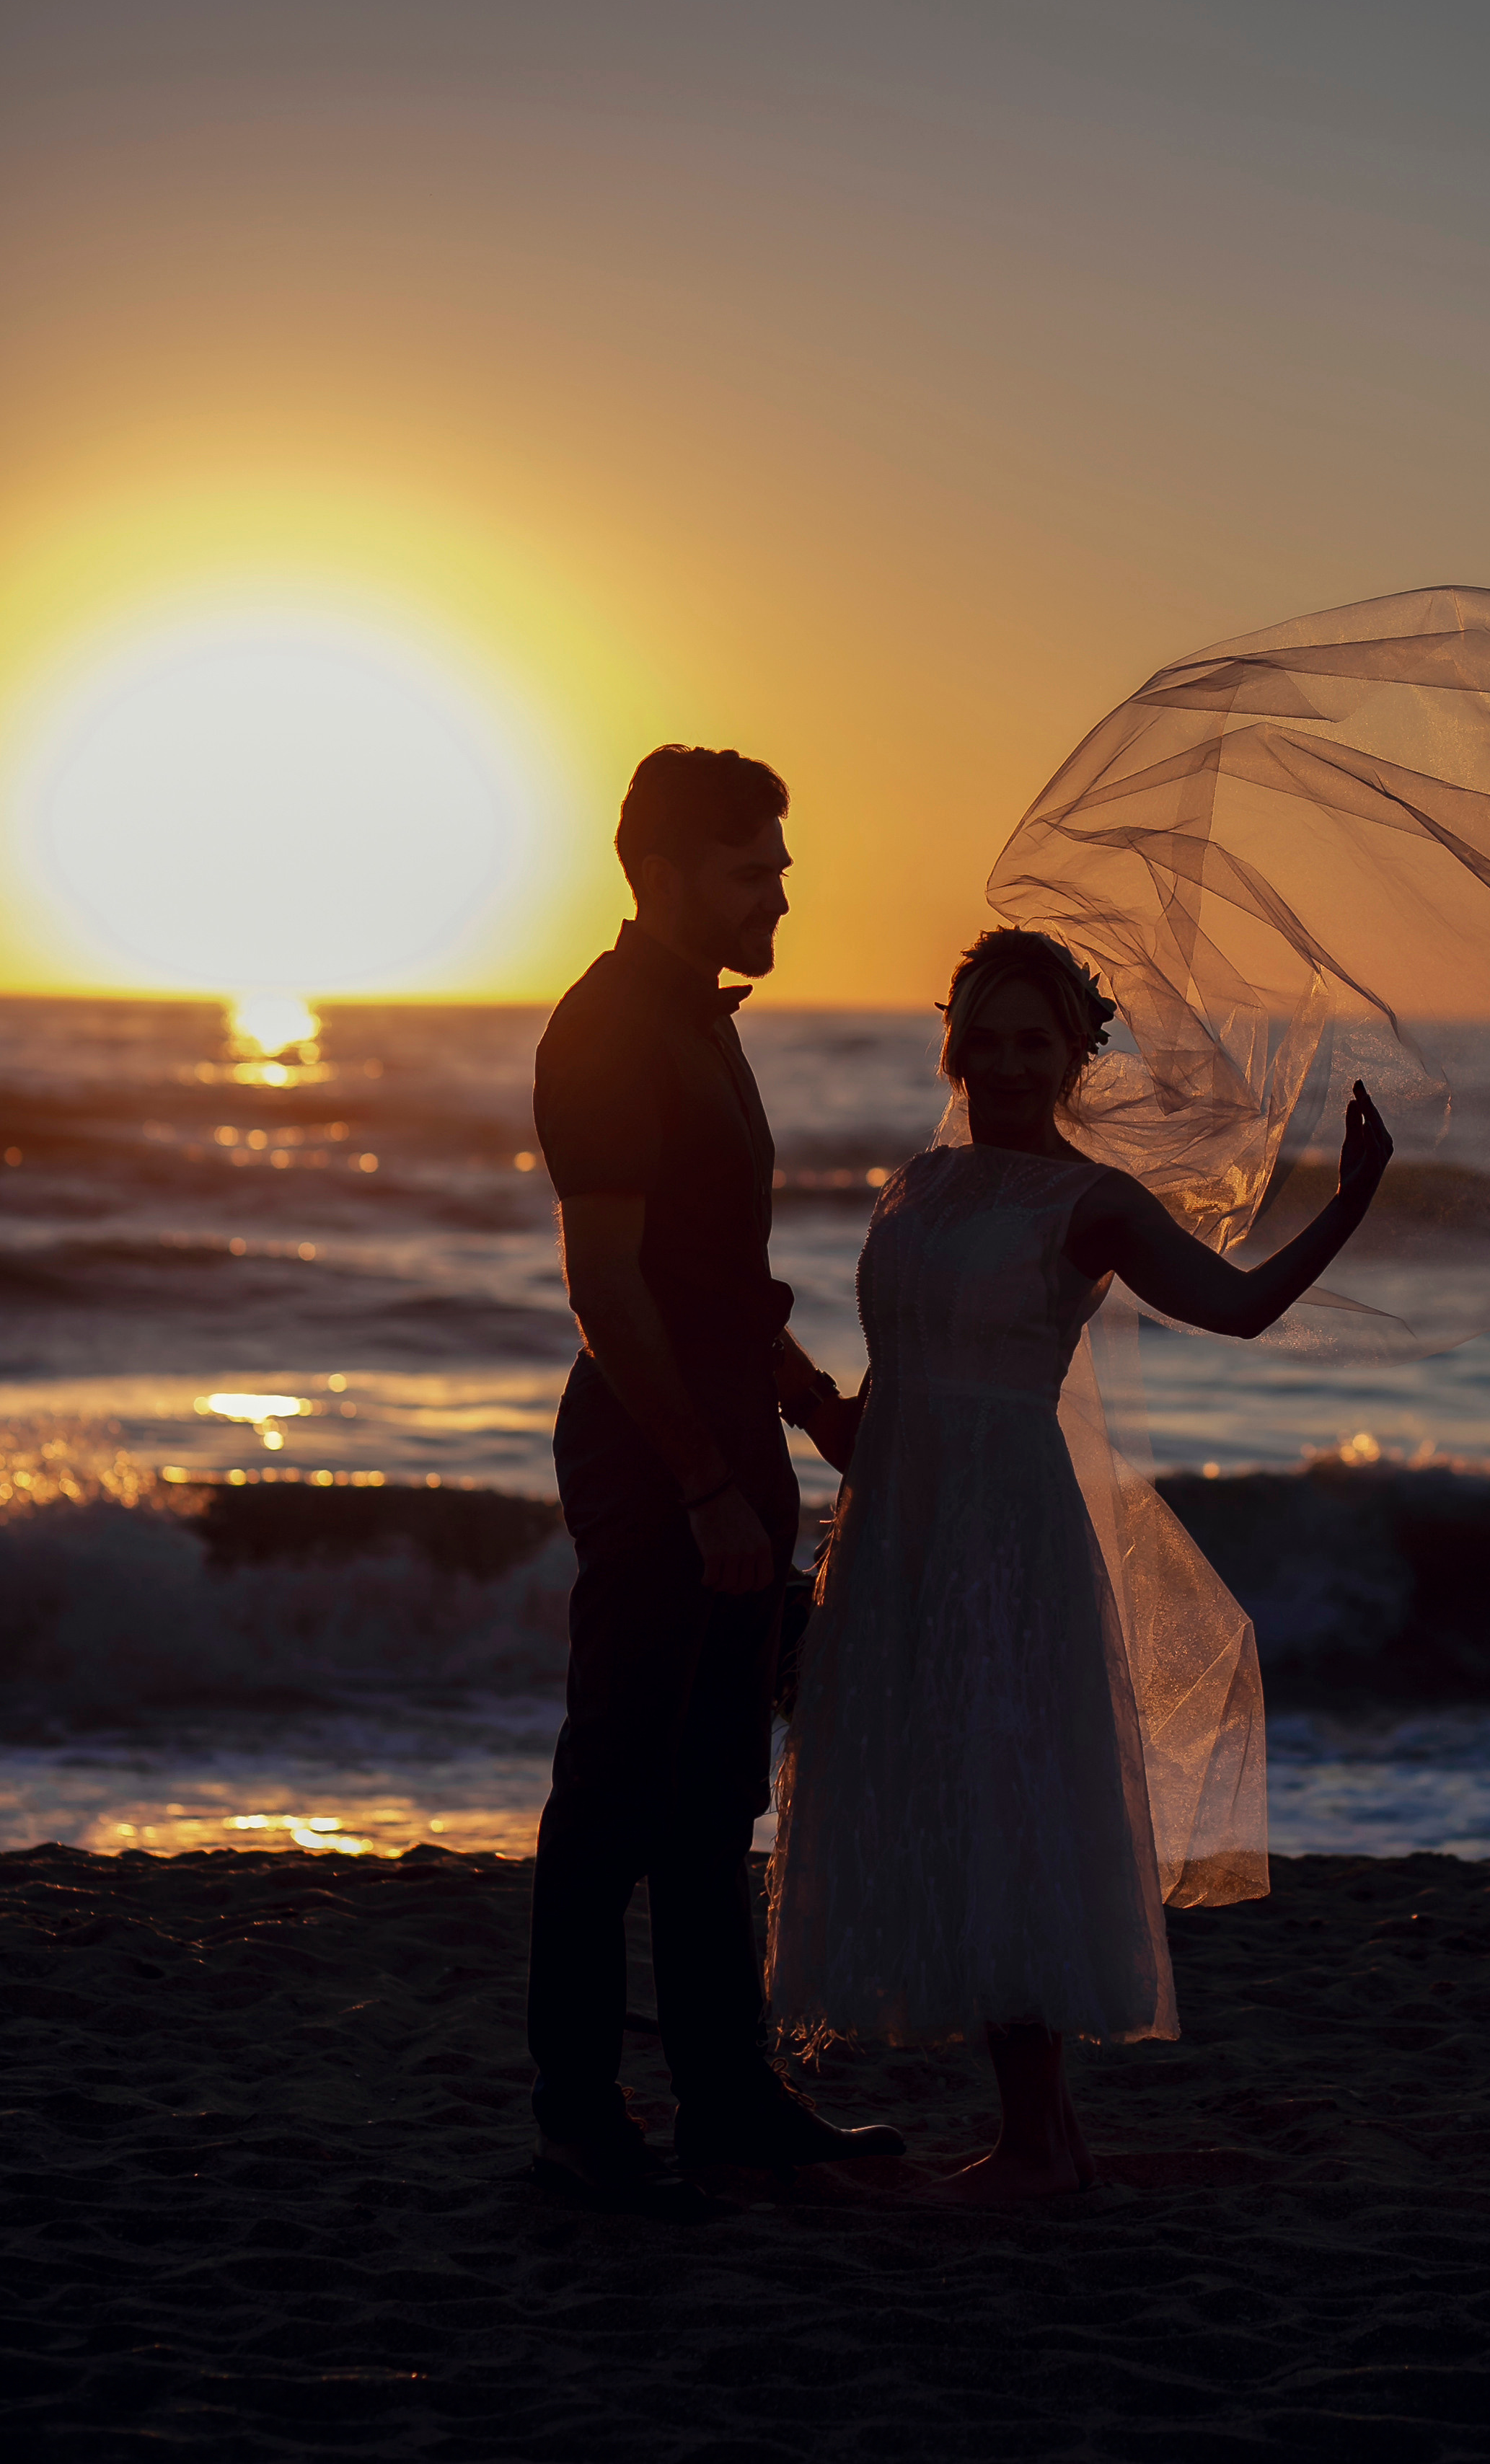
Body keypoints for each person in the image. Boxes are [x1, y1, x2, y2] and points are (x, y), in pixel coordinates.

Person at [765, 927, 1393, 2206]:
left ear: (1074, 1056)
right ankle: (1037, 2135)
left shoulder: (1091, 1201)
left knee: (1009, 1789)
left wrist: (1347, 1203)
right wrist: (827, 1428)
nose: (1002, 1062)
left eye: (1031, 1042)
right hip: (898, 1517)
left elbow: (1236, 1308)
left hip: (1003, 1523)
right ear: (951, 1040)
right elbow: (899, 1361)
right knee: (937, 1778)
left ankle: (1042, 2142)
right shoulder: (919, 1181)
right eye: (982, 1037)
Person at [526, 743, 904, 2222]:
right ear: (664, 875)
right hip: (647, 1447)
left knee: (711, 1800)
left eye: (781, 872)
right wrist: (700, 1488)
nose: (780, 900)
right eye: (755, 874)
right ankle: (575, 2112)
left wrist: (809, 1408)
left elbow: (721, 1277)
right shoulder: (607, 1028)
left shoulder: (700, 1023)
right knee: (612, 1793)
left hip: (726, 1439)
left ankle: (727, 2105)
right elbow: (608, 1292)